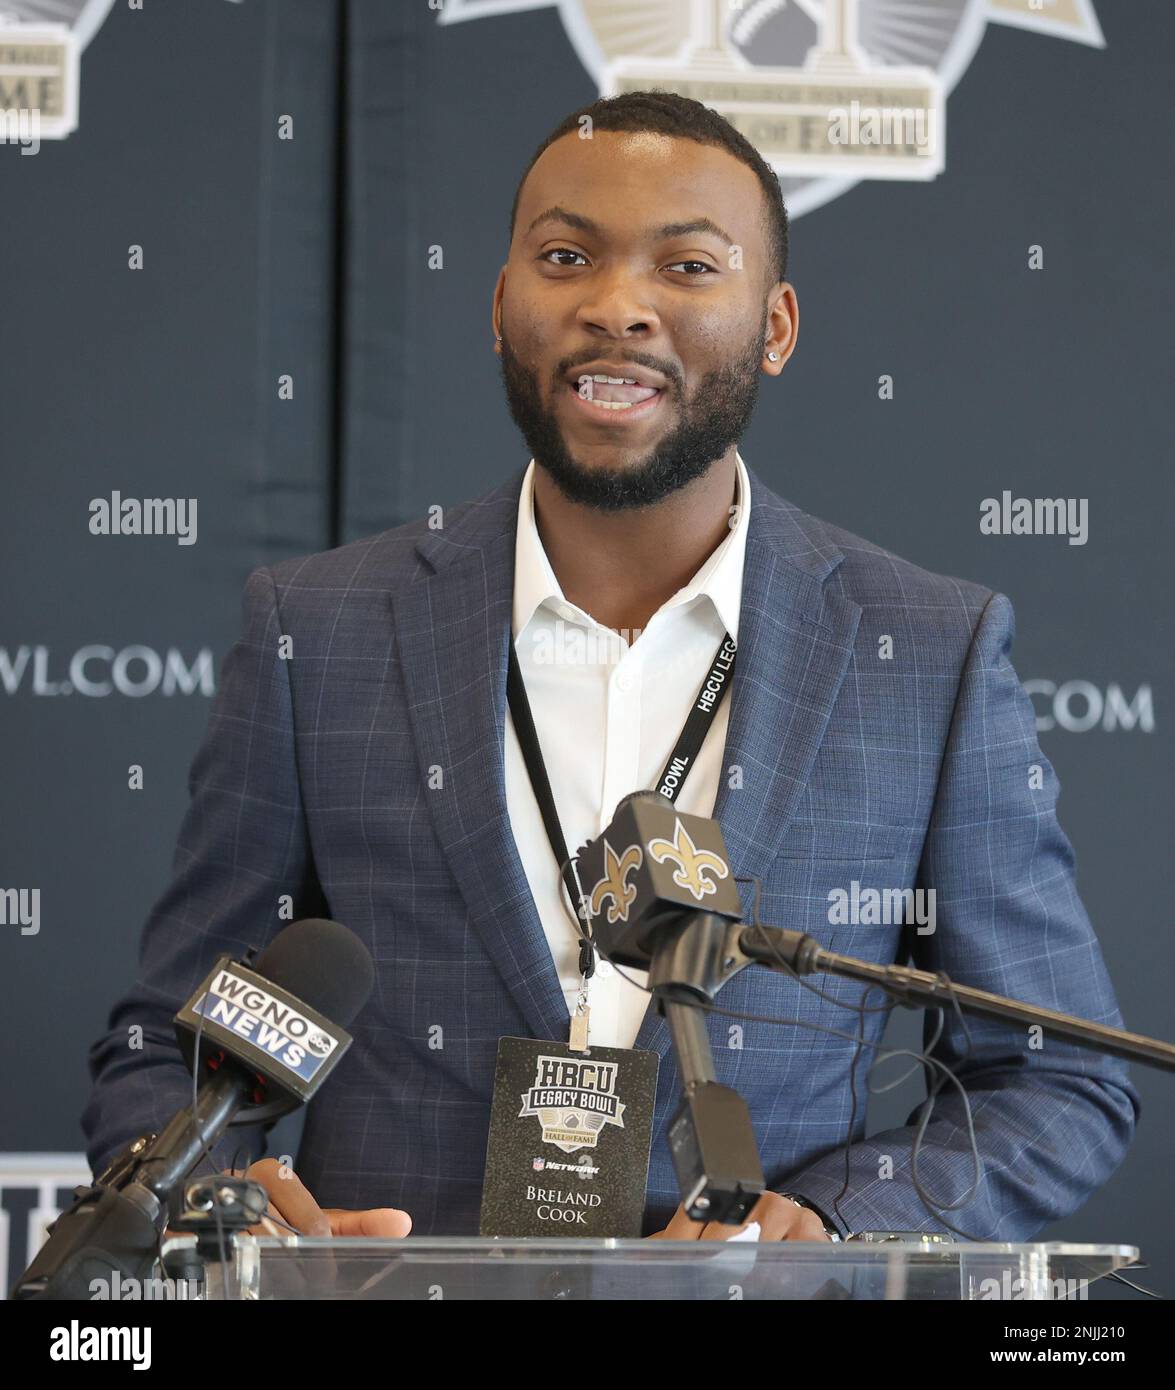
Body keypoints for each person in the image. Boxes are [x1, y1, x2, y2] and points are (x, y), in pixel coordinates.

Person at [83, 91, 1138, 1243]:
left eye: (686, 266)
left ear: (774, 328)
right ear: (499, 305)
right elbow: (174, 1050)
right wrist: (226, 1208)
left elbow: (1054, 1078)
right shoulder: (319, 630)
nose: (615, 306)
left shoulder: (925, 652)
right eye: (564, 255)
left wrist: (832, 1227)